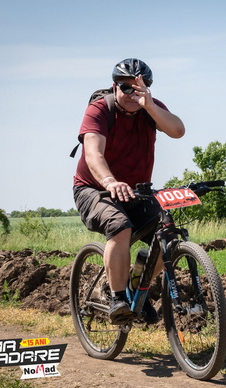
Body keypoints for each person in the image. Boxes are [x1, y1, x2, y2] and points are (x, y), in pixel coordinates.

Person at [73, 58, 185, 324]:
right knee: (120, 226)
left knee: (167, 236)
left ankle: (137, 286)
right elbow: (93, 154)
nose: (132, 94)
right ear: (115, 86)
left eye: (139, 88)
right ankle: (118, 299)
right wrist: (110, 181)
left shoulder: (150, 108)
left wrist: (150, 105)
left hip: (136, 192)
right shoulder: (100, 109)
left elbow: (178, 131)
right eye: (126, 88)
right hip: (94, 189)